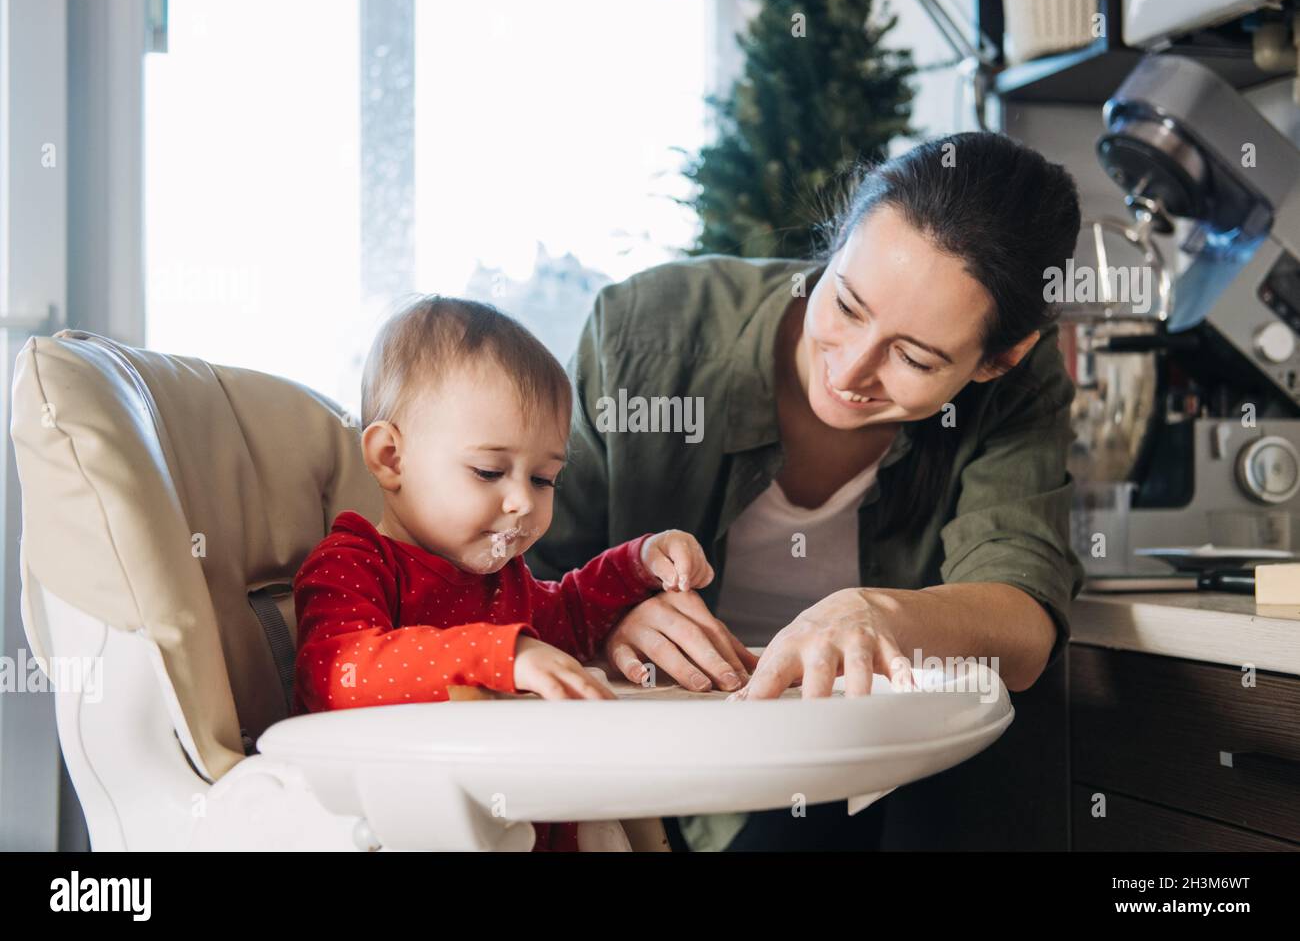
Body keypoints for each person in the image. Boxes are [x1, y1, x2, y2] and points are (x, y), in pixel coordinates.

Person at [525, 130, 1088, 851]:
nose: (849, 372)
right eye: (847, 305)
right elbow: (508, 581)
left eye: (915, 358)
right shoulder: (644, 333)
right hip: (645, 768)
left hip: (860, 771)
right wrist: (601, 623)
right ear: (837, 242)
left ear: (1000, 359)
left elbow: (1023, 624)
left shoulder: (1017, 388)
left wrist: (875, 613)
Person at [292, 295, 714, 850]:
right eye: (489, 471)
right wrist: (503, 657)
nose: (522, 502)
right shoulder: (354, 562)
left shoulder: (502, 578)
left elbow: (569, 618)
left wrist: (638, 562)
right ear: (391, 458)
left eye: (543, 479)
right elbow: (339, 674)